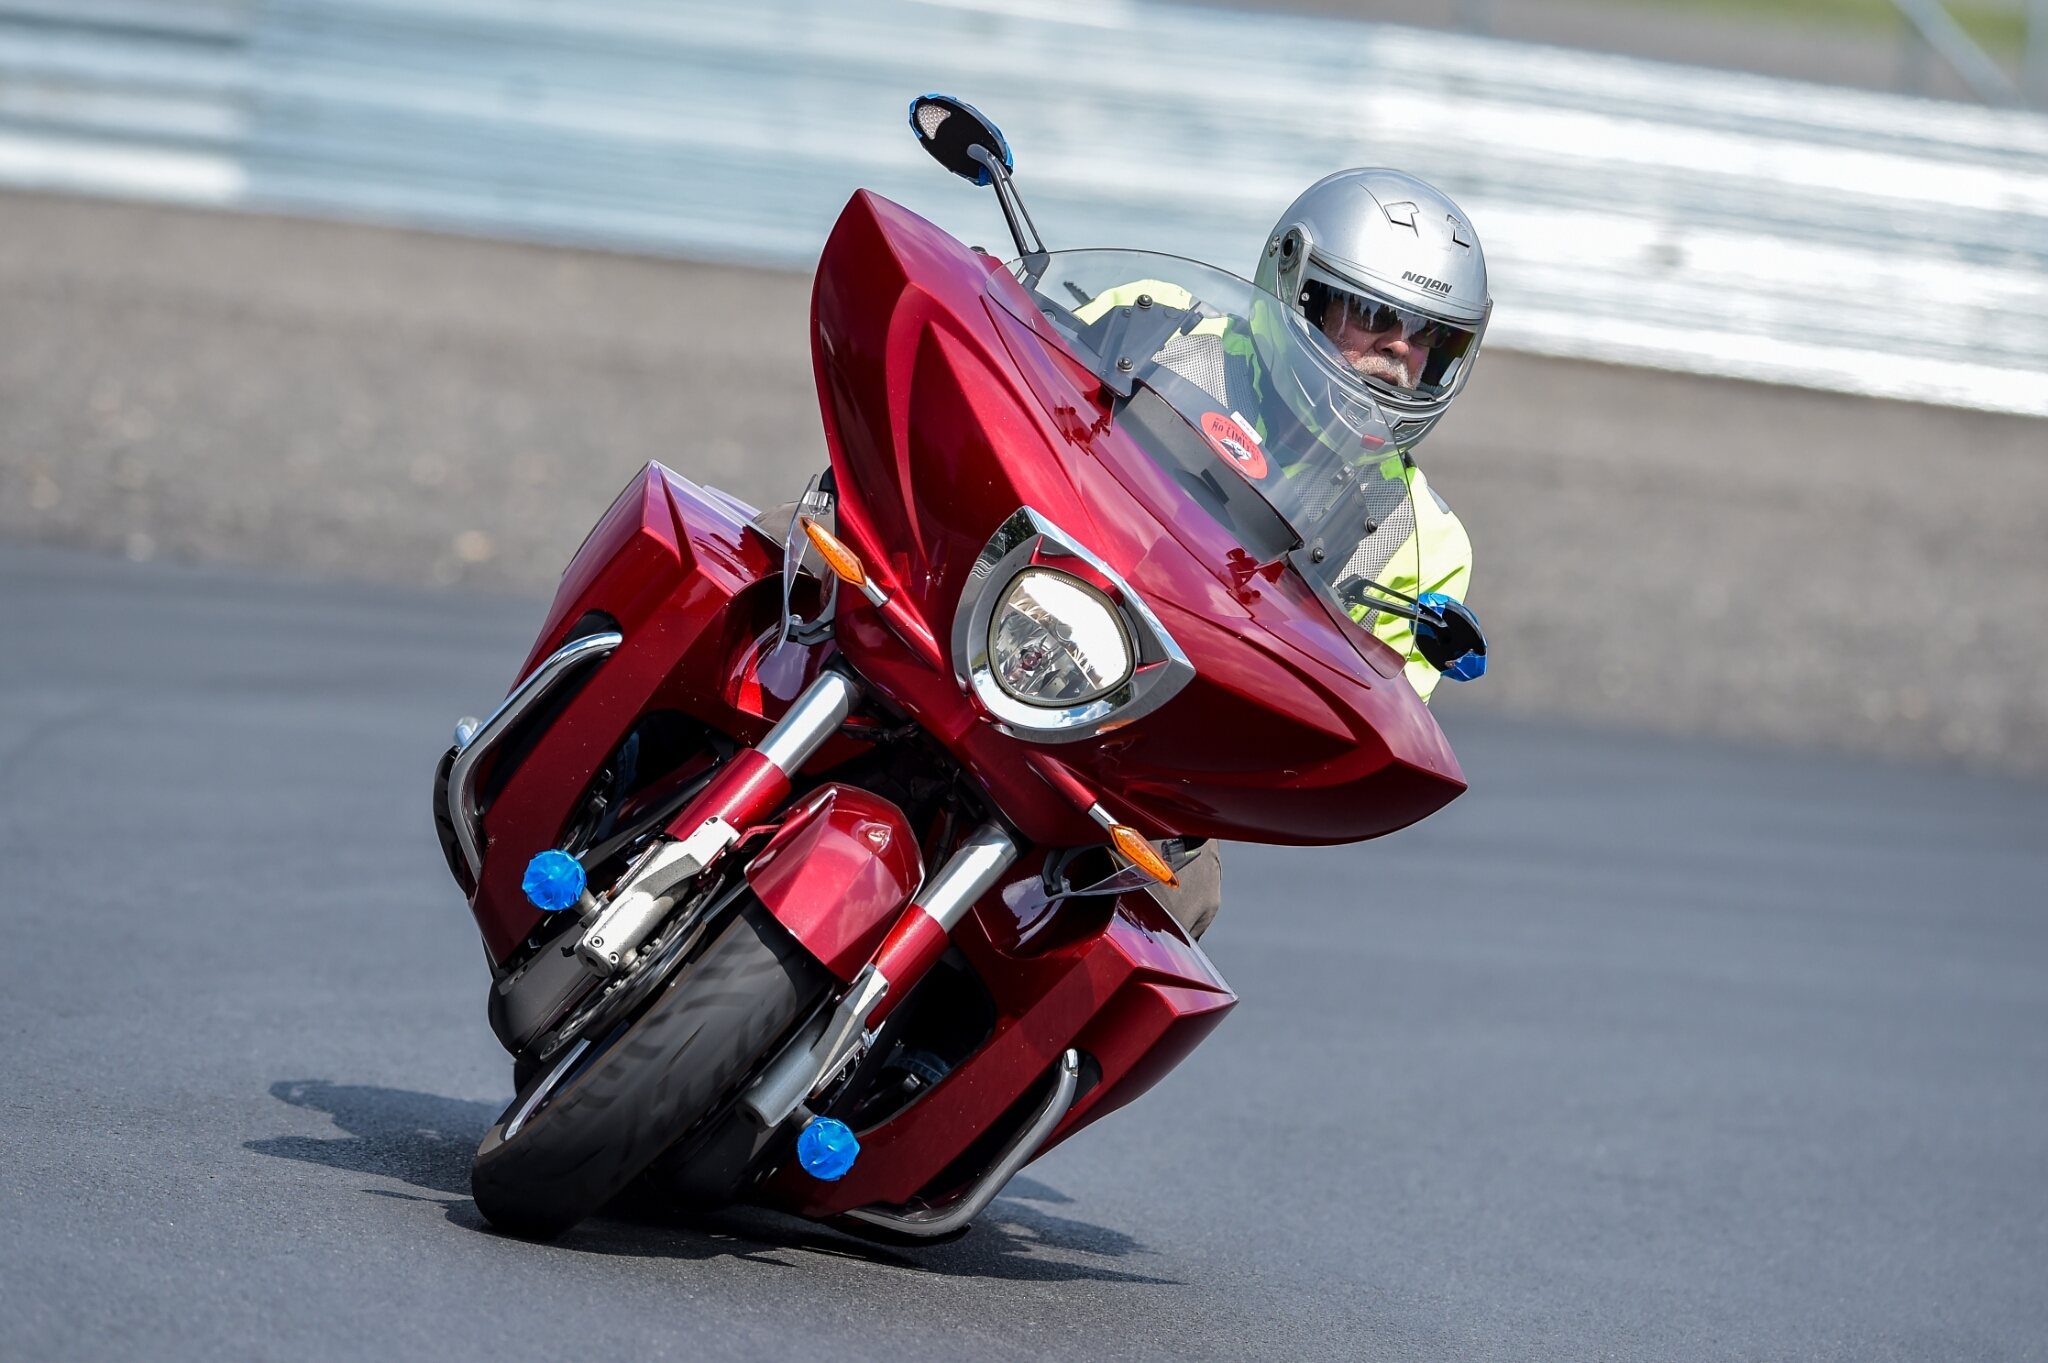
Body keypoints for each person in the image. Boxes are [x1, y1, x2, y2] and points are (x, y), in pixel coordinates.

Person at [1251, 166, 1489, 703]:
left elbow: (1376, 716)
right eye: (1372, 312)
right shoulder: (1157, 329)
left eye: (1429, 331)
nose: (1401, 345)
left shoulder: (1426, 539)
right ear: (1304, 298)